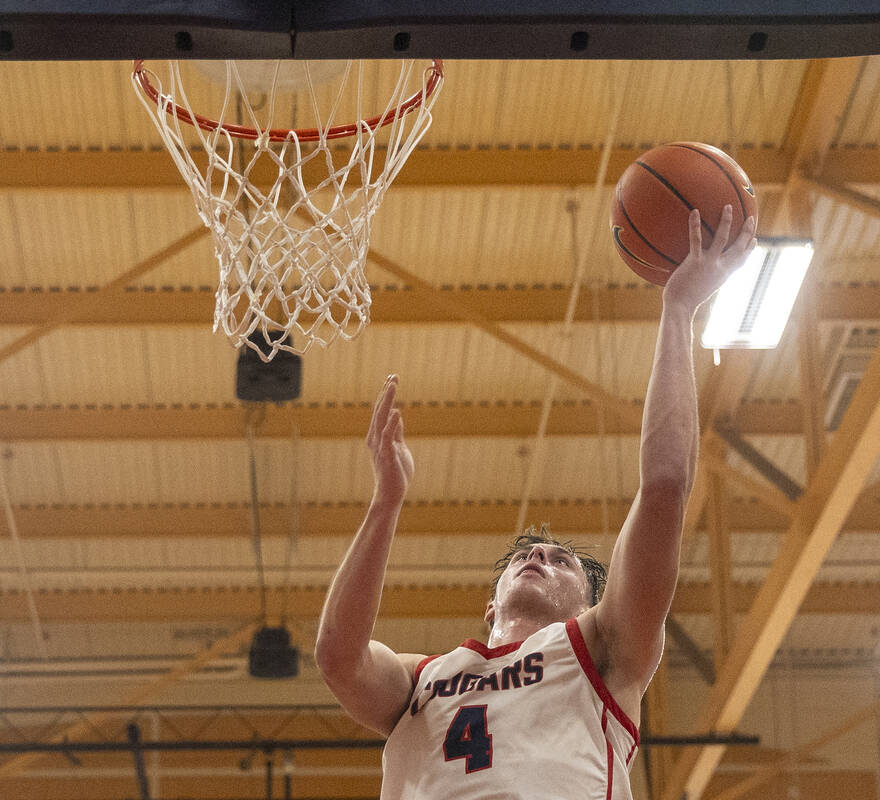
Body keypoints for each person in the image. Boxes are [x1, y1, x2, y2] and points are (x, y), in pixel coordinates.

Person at [315, 206, 757, 798]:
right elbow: (338, 658)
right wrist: (386, 502)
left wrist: (678, 310)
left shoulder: (602, 651)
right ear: (489, 603)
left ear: (591, 603)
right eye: (530, 554)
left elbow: (666, 486)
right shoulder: (420, 681)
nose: (540, 556)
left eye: (562, 561)